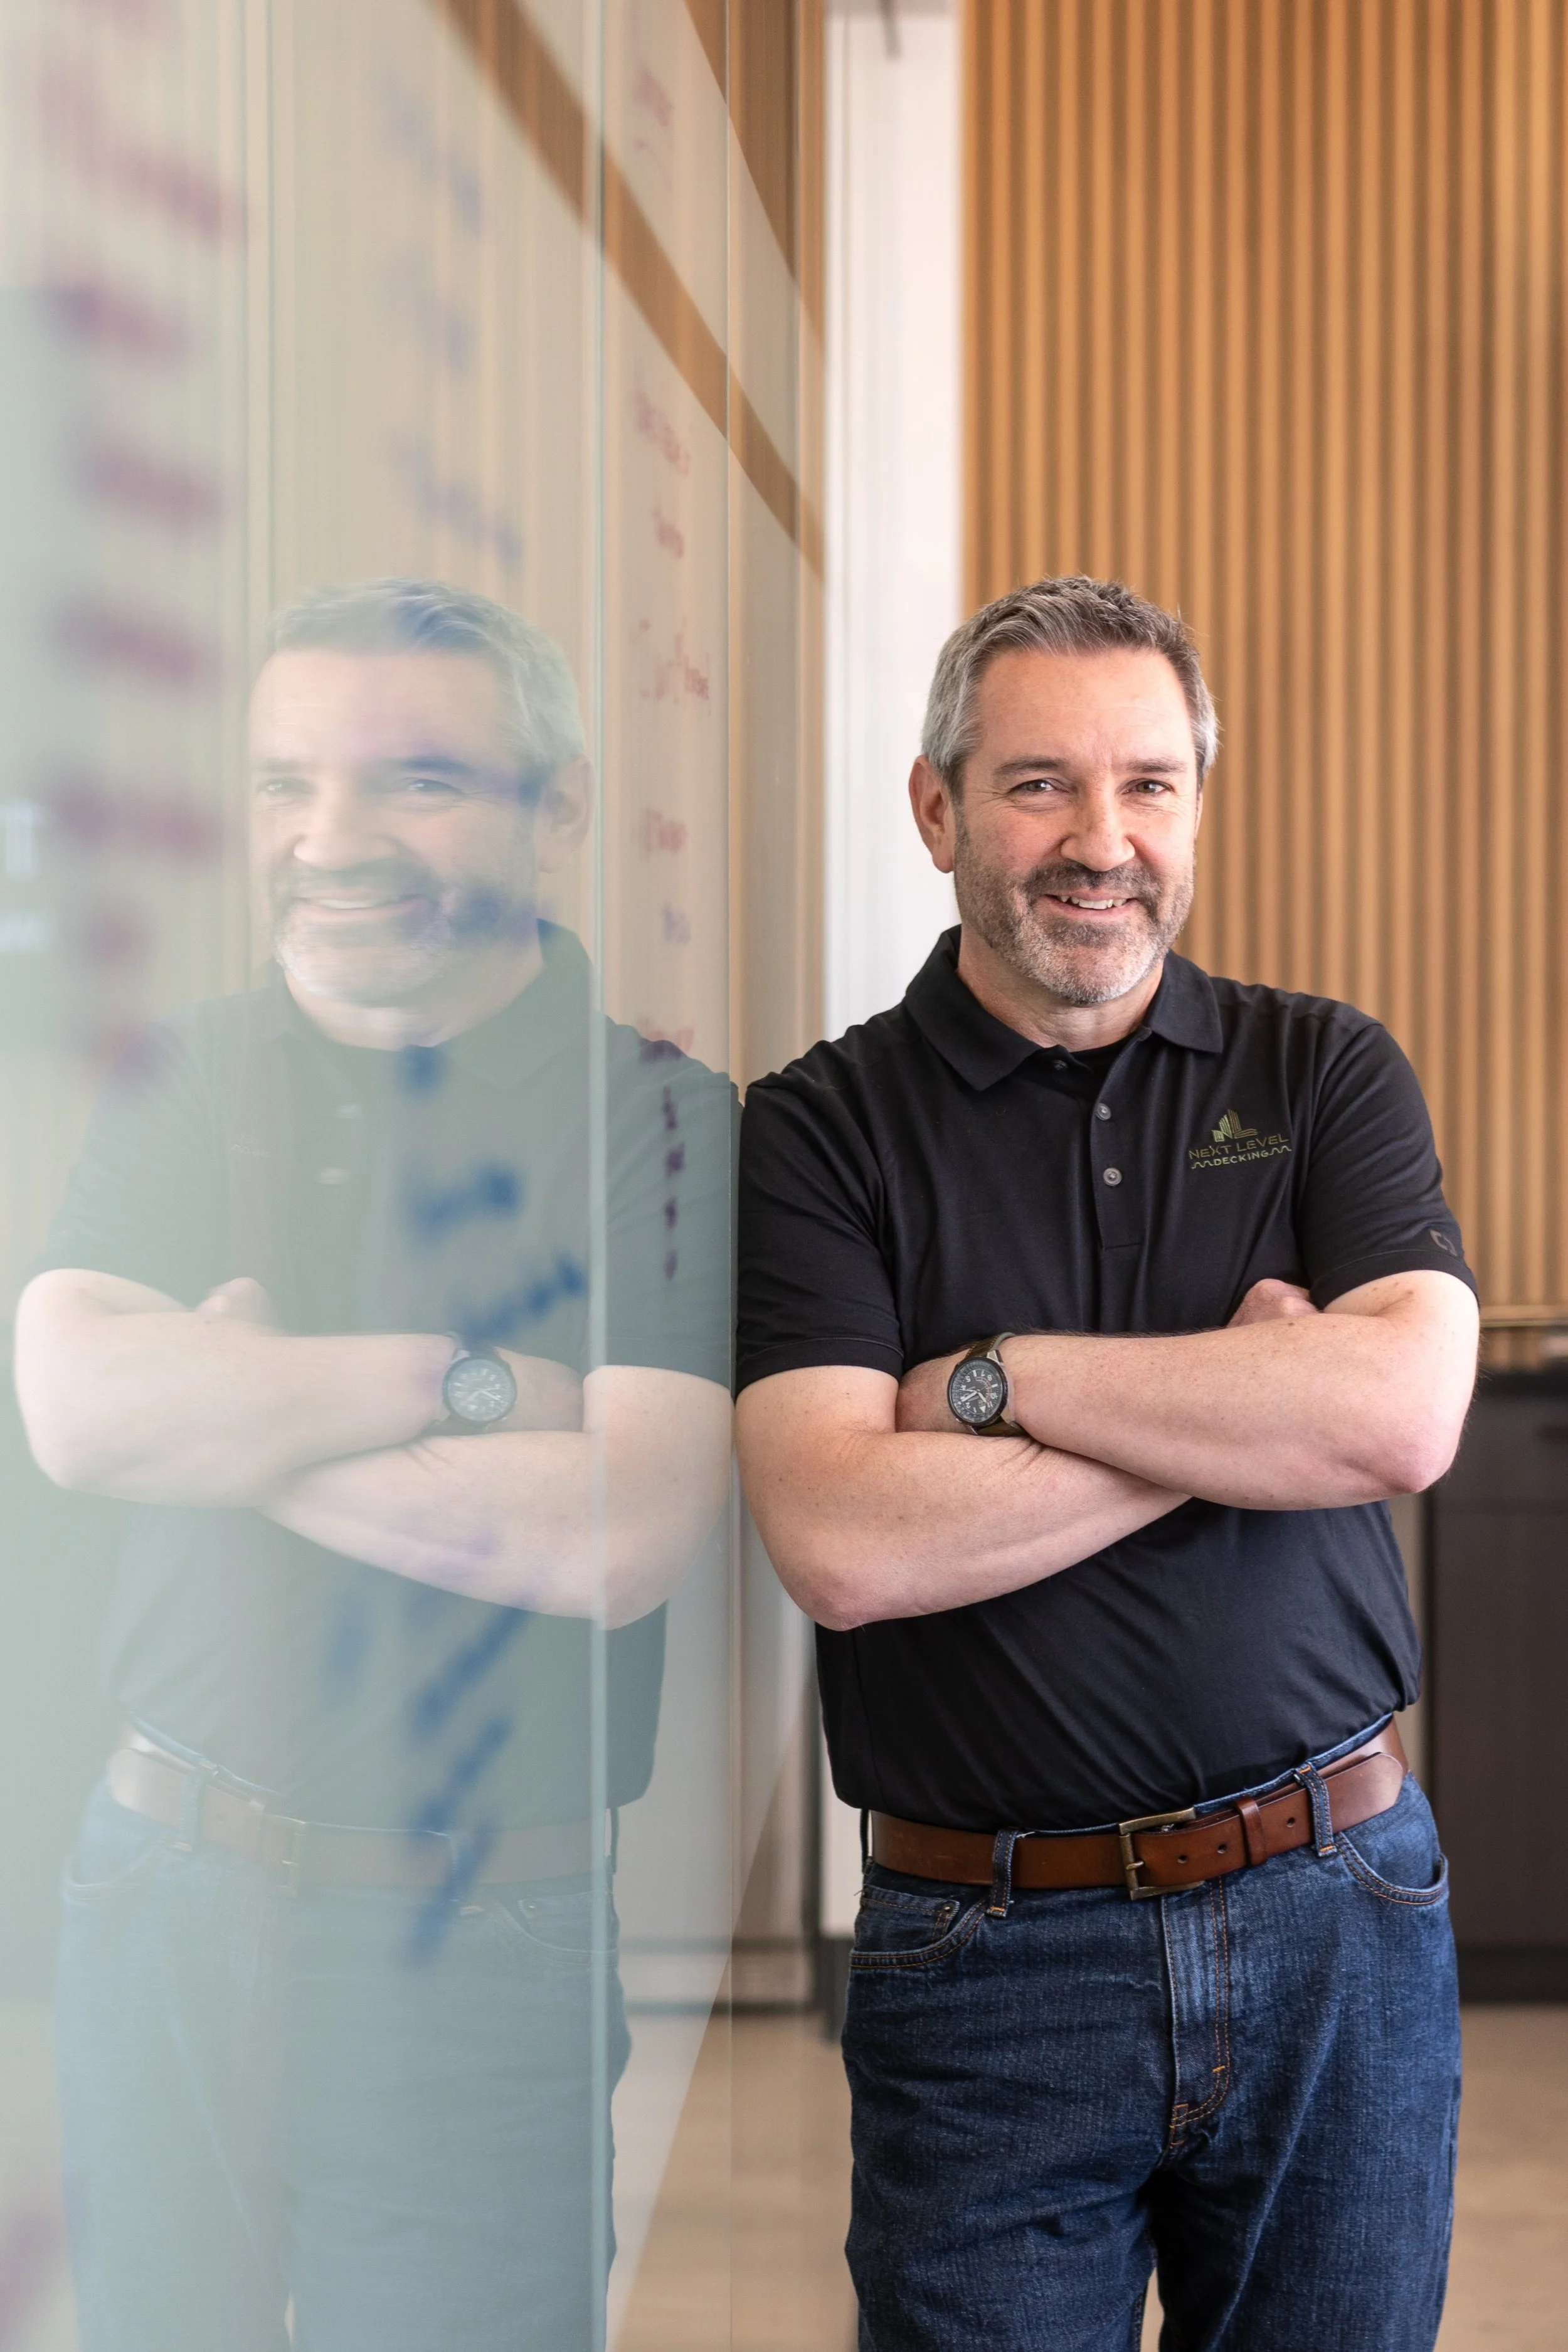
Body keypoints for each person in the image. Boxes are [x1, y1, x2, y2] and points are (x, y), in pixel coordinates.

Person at [736, 576, 1478, 2352]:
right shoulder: (818, 1129)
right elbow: (840, 1532)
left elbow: (1394, 1418)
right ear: (935, 808)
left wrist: (995, 1386)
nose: (1100, 841)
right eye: (1037, 784)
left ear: (1196, 810)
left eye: (1149, 784)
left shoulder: (1321, 1071)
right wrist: (1241, 1396)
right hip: (985, 1956)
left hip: (1337, 1917)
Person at [14, 580, 732, 2352]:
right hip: (163, 1889)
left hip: (486, 1924)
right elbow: (81, 1413)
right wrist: (465, 1384)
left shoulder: (659, 1115)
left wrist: (241, 1406)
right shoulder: (179, 1073)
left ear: (557, 809)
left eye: (414, 781)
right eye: (284, 785)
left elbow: (618, 1523)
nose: (327, 841)